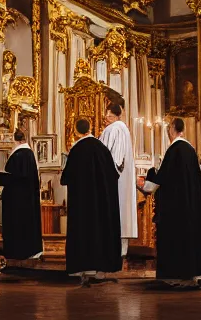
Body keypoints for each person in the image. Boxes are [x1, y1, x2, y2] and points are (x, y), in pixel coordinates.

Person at [140, 118, 201, 286]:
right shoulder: (190, 149)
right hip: (191, 206)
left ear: (172, 129)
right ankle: (194, 274)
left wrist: (150, 176)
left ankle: (177, 274)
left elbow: (162, 178)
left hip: (175, 207)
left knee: (176, 239)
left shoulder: (174, 150)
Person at [61, 119, 122, 285]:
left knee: (84, 232)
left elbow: (66, 177)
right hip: (101, 205)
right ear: (90, 128)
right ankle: (101, 269)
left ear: (76, 131)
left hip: (82, 206)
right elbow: (114, 174)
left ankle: (83, 268)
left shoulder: (76, 150)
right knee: (101, 231)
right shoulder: (102, 149)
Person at [0, 130, 42, 260]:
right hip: (27, 199)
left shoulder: (19, 155)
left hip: (17, 201)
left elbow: (16, 178)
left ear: (15, 140)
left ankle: (17, 252)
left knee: (18, 227)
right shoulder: (29, 154)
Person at [100, 103, 136, 257]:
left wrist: (106, 174)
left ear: (113, 114)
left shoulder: (115, 129)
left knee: (118, 211)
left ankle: (117, 250)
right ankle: (121, 249)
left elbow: (116, 158)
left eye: (108, 115)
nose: (106, 118)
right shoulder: (123, 129)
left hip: (115, 180)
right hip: (120, 179)